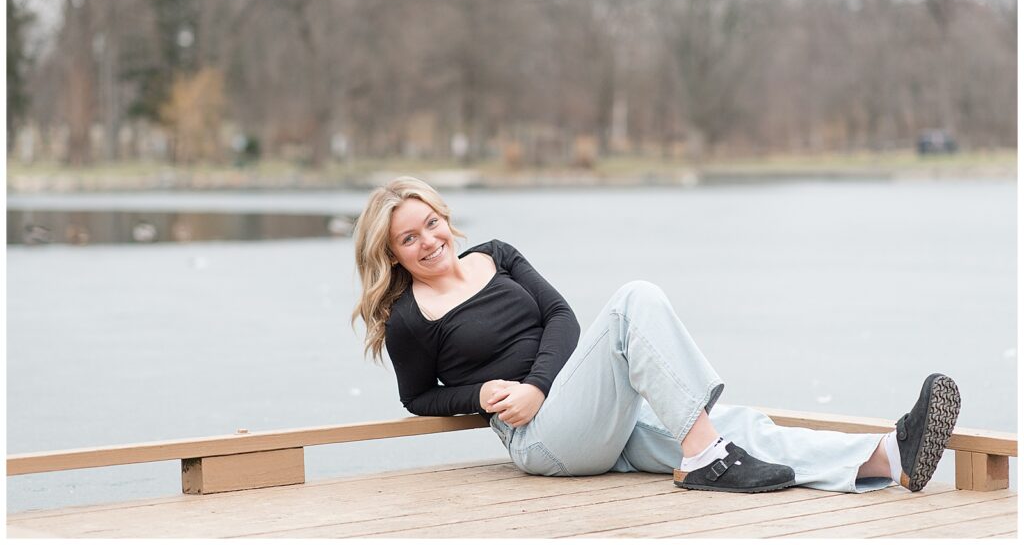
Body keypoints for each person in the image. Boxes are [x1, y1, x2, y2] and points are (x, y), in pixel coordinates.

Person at [351, 176, 961, 494]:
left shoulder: (498, 255)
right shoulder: (411, 315)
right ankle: (704, 457)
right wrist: (485, 396)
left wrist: (540, 384)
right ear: (393, 254)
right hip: (541, 439)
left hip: (589, 408)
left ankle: (887, 457)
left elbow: (561, 318)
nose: (428, 241)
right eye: (410, 239)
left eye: (430, 223)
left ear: (444, 215)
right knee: (632, 301)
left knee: (737, 430)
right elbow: (418, 397)